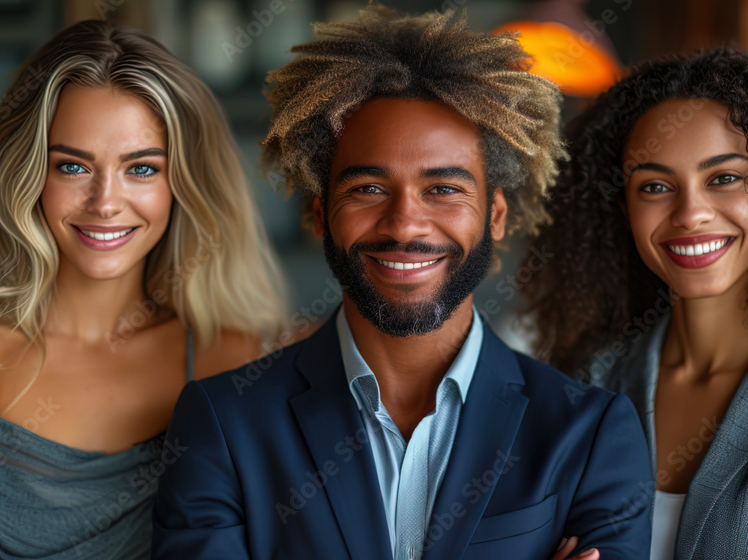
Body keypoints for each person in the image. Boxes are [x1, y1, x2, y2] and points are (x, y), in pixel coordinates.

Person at [152, 5, 653, 560]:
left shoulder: (589, 433)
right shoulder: (223, 424)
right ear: (321, 214)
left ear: (496, 215)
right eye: (368, 188)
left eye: (444, 189)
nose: (405, 225)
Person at [0, 20, 284, 560]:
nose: (105, 202)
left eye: (142, 168)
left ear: (181, 183)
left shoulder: (235, 357)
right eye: (73, 166)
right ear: (28, 174)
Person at [523, 48, 748, 560]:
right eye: (654, 186)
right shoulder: (580, 382)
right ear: (620, 210)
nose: (690, 213)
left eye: (724, 178)